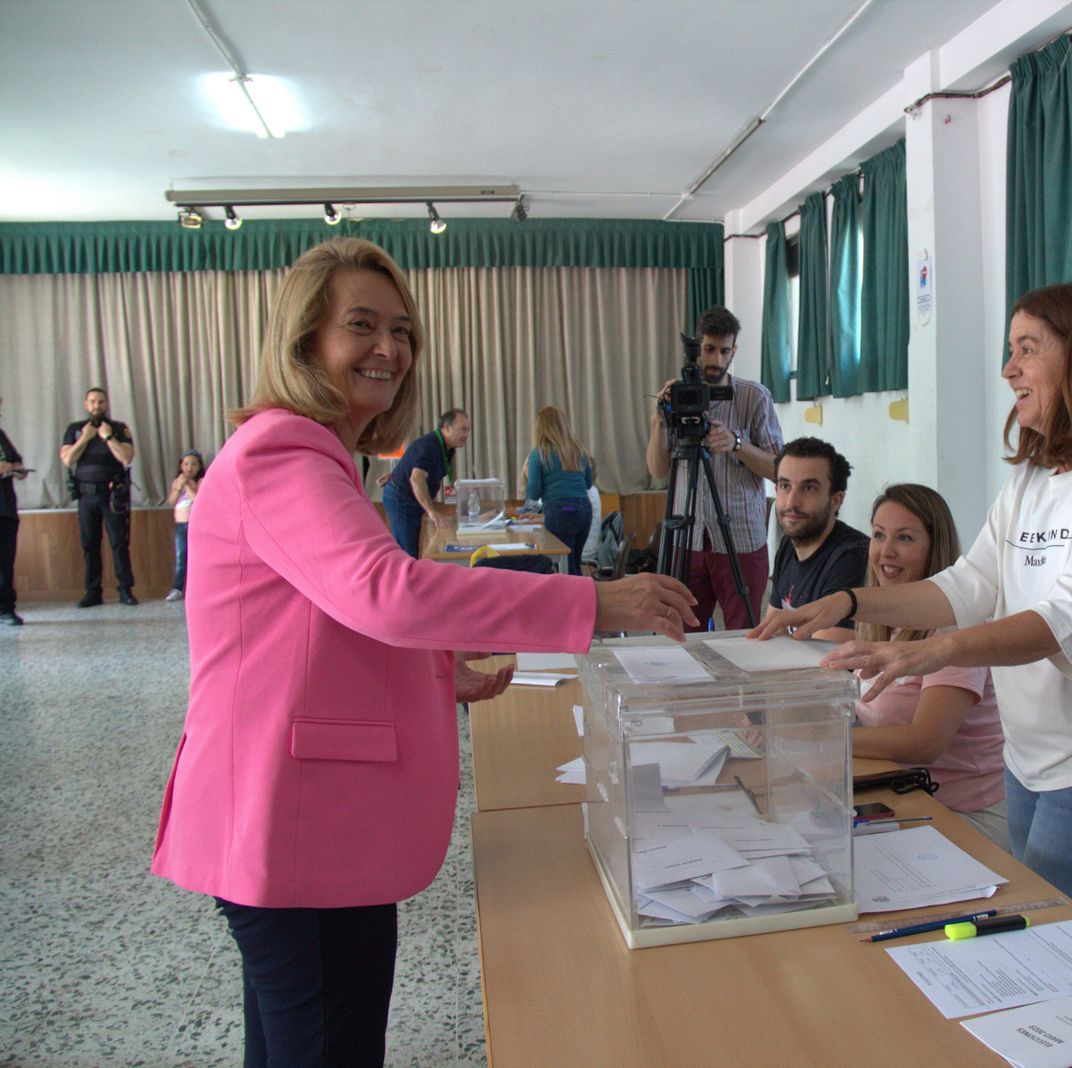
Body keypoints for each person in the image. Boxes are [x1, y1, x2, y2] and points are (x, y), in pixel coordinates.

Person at [149, 237, 695, 1068]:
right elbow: (384, 594)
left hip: (298, 822)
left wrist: (436, 671)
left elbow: (323, 626)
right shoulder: (280, 452)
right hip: (293, 821)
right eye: (360, 326)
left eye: (402, 331)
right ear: (304, 343)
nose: (389, 349)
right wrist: (595, 601)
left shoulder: (318, 456)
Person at [755, 281, 1072, 930]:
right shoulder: (1035, 476)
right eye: (1009, 349)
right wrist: (847, 598)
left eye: (1027, 349)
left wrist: (934, 649)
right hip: (1032, 753)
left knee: (1062, 930)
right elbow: (966, 586)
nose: (1008, 369)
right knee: (1036, 916)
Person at [852, 484, 1007, 847]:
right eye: (878, 535)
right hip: (904, 791)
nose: (885, 552)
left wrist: (821, 743)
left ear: (935, 548)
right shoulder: (885, 622)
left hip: (964, 812)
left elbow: (925, 742)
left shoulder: (956, 626)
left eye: (904, 538)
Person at [646, 306, 782, 630]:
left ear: (734, 350)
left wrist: (736, 443)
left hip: (740, 537)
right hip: (688, 538)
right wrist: (660, 420)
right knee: (685, 635)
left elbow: (780, 470)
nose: (716, 361)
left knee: (743, 633)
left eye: (724, 351)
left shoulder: (755, 397)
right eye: (709, 349)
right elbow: (657, 469)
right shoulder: (675, 397)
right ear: (696, 347)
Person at [766, 437, 868, 642]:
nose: (792, 502)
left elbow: (825, 663)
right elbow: (770, 631)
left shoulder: (852, 557)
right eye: (785, 486)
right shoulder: (788, 544)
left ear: (836, 500)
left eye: (808, 488)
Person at [59, 386, 137, 606]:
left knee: (119, 543)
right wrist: (85, 438)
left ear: (107, 404)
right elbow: (67, 459)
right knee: (89, 544)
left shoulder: (119, 428)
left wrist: (108, 437)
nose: (97, 406)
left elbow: (127, 457)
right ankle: (93, 592)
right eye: (93, 402)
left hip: (113, 495)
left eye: (101, 402)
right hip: (86, 496)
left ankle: (125, 590)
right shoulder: (75, 429)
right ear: (86, 404)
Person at [382, 408, 471, 557]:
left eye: (468, 430)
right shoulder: (430, 446)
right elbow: (416, 478)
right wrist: (432, 511)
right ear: (446, 428)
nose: (466, 435)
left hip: (409, 498)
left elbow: (413, 464)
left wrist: (396, 474)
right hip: (401, 499)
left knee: (414, 549)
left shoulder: (445, 447)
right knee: (407, 552)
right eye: (462, 430)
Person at [524, 406, 594, 575]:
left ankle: (572, 600)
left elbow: (533, 493)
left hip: (560, 510)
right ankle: (582, 597)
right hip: (584, 509)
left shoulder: (539, 454)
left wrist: (529, 477)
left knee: (563, 566)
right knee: (575, 563)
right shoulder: (579, 450)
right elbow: (588, 484)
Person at [0, 396, 29, 626]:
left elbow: (15, 460)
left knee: (6, 562)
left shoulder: (1, 434)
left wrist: (18, 468)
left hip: (6, 508)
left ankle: (6, 608)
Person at [164, 450, 204, 601]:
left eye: (194, 464)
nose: (189, 467)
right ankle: (177, 588)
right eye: (186, 464)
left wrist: (188, 485)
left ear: (199, 467)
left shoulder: (201, 481)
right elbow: (171, 501)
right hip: (181, 525)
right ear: (181, 466)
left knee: (198, 557)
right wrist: (178, 487)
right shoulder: (177, 482)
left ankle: (199, 588)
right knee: (181, 556)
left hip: (197, 525)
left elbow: (198, 500)